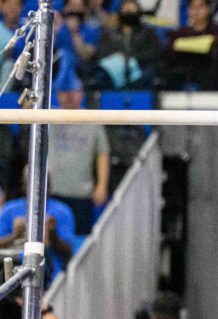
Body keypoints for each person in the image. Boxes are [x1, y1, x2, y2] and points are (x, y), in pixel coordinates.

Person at [47, 71, 110, 236]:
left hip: (81, 193)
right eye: (64, 92)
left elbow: (102, 154)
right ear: (58, 94)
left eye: (73, 91)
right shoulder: (48, 116)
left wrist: (102, 185)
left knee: (80, 240)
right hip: (53, 192)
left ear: (81, 93)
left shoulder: (92, 119)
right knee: (51, 240)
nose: (69, 97)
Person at [0, 168, 81, 282]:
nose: (38, 188)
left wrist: (53, 234)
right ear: (24, 185)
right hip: (12, 274)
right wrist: (14, 235)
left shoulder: (62, 211)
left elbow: (69, 252)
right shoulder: (9, 210)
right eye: (33, 184)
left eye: (44, 183)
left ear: (50, 186)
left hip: (51, 277)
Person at [91, 0, 164, 90]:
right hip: (115, 68)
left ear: (138, 13)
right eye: (126, 11)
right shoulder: (110, 33)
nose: (129, 14)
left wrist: (132, 58)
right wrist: (117, 56)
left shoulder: (148, 33)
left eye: (132, 11)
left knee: (149, 73)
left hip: (140, 66)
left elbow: (154, 52)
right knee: (100, 75)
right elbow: (101, 52)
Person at [163, 0, 218, 91]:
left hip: (209, 75)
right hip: (184, 74)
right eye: (193, 7)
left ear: (208, 9)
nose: (196, 11)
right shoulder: (178, 35)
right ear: (188, 10)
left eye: (200, 7)